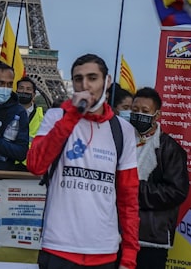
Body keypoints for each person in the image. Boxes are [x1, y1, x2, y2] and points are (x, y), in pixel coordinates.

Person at [26, 53, 139, 269]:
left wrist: (129, 256)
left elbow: (129, 199)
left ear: (107, 82)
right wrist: (71, 117)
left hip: (104, 251)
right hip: (59, 248)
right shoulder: (56, 117)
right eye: (78, 79)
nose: (85, 85)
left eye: (92, 78)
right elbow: (35, 164)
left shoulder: (123, 131)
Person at [130, 87, 188, 269]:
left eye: (145, 112)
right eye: (134, 111)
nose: (139, 115)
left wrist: (134, 189)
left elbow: (176, 192)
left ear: (156, 115)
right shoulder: (121, 141)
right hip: (117, 235)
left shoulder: (169, 149)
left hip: (150, 239)